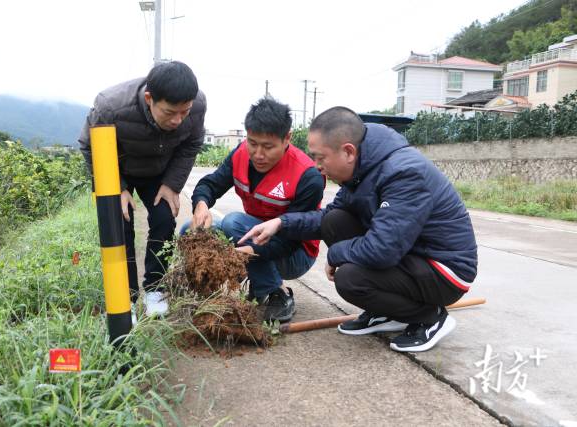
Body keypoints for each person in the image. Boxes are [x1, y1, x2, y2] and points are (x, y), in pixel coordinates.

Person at [239, 106, 477, 352]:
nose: (316, 165)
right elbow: (328, 218)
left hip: (444, 270)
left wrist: (335, 254)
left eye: (321, 158)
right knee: (335, 221)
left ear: (348, 151)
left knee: (350, 279)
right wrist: (281, 223)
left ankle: (430, 318)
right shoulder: (363, 168)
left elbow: (383, 249)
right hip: (411, 255)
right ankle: (386, 312)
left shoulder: (404, 173)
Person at [79, 61, 206, 320]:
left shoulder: (197, 104)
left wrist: (172, 184)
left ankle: (155, 289)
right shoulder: (111, 106)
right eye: (170, 112)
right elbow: (88, 145)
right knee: (119, 224)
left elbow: (192, 144)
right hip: (117, 169)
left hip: (159, 172)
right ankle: (125, 297)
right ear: (149, 98)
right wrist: (117, 187)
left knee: (163, 218)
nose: (178, 120)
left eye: (185, 112)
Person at [184, 97, 325, 322]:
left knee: (233, 223)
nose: (258, 154)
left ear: (287, 138)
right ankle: (207, 299)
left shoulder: (307, 176)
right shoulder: (240, 154)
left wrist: (249, 253)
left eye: (268, 146)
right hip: (250, 235)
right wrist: (201, 205)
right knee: (189, 231)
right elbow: (210, 184)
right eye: (252, 143)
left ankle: (278, 294)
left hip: (294, 252)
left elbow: (290, 241)